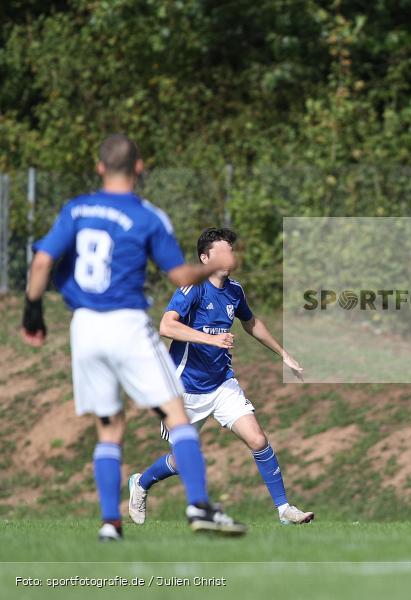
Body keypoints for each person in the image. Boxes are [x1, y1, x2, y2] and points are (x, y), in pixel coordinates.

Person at [21, 134, 246, 541]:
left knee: (108, 428)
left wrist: (32, 311)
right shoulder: (148, 216)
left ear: (100, 167)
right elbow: (179, 276)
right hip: (126, 324)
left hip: (84, 327)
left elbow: (41, 261)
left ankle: (111, 523)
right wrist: (215, 265)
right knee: (176, 414)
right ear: (139, 168)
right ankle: (198, 505)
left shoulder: (76, 210)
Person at [127, 227, 314, 526]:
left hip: (221, 383)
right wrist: (210, 339)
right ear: (205, 258)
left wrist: (284, 354)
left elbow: (251, 323)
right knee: (181, 461)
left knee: (257, 439)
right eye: (222, 251)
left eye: (231, 250)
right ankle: (141, 483)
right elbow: (166, 326)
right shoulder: (193, 288)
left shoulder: (234, 290)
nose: (230, 256)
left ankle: (284, 510)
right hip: (184, 388)